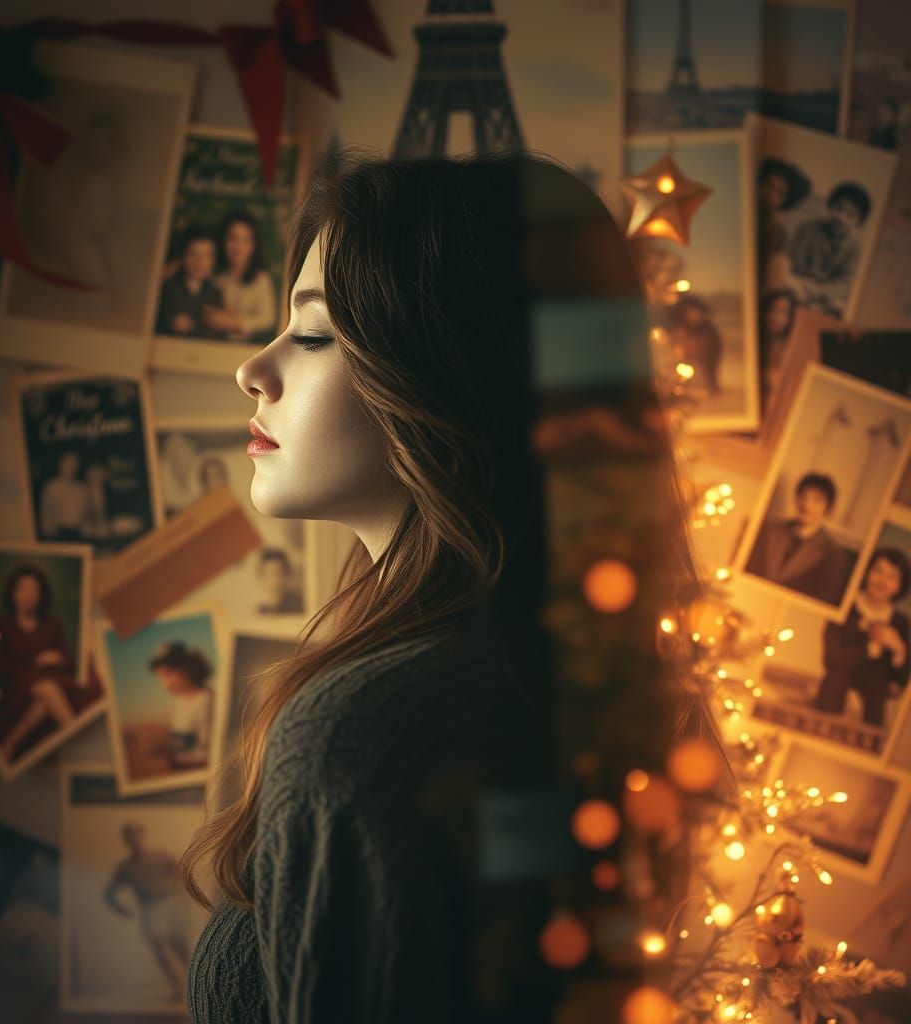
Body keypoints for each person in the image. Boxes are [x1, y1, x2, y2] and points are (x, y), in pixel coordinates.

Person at [180, 152, 717, 1023]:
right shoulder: (563, 684)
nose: (254, 367)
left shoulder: (364, 732)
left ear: (450, 373)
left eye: (312, 335)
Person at [0, 563, 98, 761]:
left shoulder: (51, 624)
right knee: (45, 688)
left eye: (34, 589)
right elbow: (0, 668)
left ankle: (9, 744)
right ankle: (72, 729)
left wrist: (56, 659)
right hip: (17, 691)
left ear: (41, 594)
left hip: (52, 686)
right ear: (12, 592)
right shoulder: (1, 625)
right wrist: (36, 662)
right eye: (22, 589)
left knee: (46, 700)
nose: (28, 595)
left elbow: (68, 662)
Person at [811, 547, 910, 726]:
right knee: (837, 677)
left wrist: (898, 650)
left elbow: (901, 680)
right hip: (838, 683)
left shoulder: (900, 622)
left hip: (874, 693)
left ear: (900, 585)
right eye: (878, 571)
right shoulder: (845, 607)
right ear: (867, 572)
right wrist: (869, 650)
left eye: (892, 576)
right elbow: (830, 658)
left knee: (878, 686)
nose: (882, 581)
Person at [104, 821, 193, 998]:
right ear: (126, 840)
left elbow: (182, 870)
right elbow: (109, 893)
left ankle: (198, 981)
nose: (133, 839)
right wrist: (122, 910)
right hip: (150, 908)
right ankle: (178, 987)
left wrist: (184, 895)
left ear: (141, 835)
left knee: (180, 945)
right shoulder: (125, 867)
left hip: (172, 903)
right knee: (159, 945)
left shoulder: (160, 856)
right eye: (129, 836)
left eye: (135, 834)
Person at [745, 471, 850, 605]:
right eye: (803, 496)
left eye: (816, 500)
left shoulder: (833, 555)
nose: (807, 505)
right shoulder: (769, 530)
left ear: (828, 507)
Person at [788, 181, 872, 318]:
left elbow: (845, 283)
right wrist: (806, 287)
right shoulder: (808, 229)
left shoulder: (855, 247)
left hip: (826, 297)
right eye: (838, 208)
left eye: (850, 215)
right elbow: (794, 265)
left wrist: (820, 292)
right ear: (829, 206)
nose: (841, 217)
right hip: (800, 285)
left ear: (859, 222)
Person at [202, 212, 277, 342]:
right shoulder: (214, 275)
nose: (238, 246)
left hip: (244, 349)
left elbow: (267, 319)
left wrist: (235, 323)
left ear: (253, 245)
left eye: (245, 240)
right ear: (223, 241)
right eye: (233, 238)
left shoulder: (261, 278)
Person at [148, 641, 215, 770]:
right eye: (161, 677)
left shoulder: (207, 701)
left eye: (168, 674)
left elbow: (209, 757)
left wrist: (169, 759)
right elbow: (184, 744)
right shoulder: (181, 701)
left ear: (188, 669)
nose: (164, 683)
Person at [156, 230, 226, 340]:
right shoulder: (169, 288)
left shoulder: (214, 293)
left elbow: (218, 332)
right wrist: (172, 323)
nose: (200, 262)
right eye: (194, 254)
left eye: (206, 256)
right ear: (183, 257)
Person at [756, 157, 810, 289]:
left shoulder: (776, 233)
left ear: (786, 201)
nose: (769, 193)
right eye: (767, 184)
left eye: (779, 192)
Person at [666, 293, 723, 396]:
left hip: (708, 351)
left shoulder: (707, 329)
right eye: (687, 313)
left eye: (693, 313)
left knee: (709, 370)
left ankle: (712, 389)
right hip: (692, 352)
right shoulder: (683, 324)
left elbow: (712, 346)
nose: (690, 315)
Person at [758, 287, 798, 408]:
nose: (774, 316)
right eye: (772, 310)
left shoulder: (791, 346)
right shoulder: (756, 343)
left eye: (782, 312)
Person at [39, 450, 89, 540]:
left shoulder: (81, 488)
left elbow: (86, 512)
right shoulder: (51, 487)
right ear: (60, 464)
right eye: (68, 462)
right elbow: (46, 512)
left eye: (74, 463)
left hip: (79, 533)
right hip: (58, 533)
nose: (71, 467)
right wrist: (48, 533)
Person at [254, 547, 303, 614]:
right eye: (270, 574)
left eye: (279, 573)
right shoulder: (262, 611)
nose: (275, 580)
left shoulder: (298, 606)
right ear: (261, 577)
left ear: (287, 575)